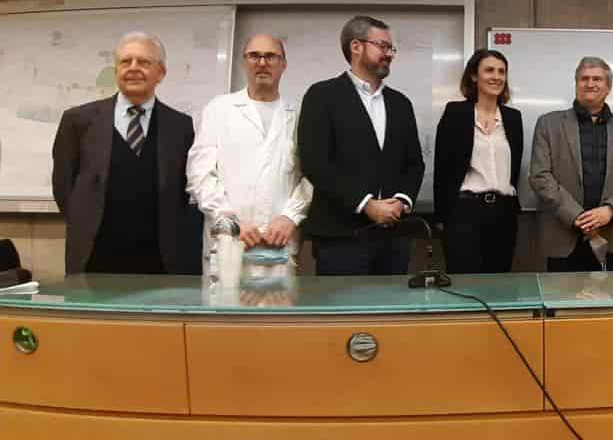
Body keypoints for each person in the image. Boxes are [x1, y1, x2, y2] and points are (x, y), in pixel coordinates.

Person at [51, 31, 196, 274]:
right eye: (125, 61)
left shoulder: (181, 126)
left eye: (144, 62)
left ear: (161, 73)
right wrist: (84, 223)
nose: (133, 68)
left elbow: (183, 193)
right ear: (116, 70)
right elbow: (63, 186)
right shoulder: (78, 121)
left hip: (161, 262)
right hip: (94, 259)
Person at [296, 15, 424, 275]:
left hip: (393, 238)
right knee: (344, 316)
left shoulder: (401, 103)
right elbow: (315, 162)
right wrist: (366, 205)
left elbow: (414, 163)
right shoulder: (322, 96)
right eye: (383, 46)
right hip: (340, 237)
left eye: (391, 48)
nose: (389, 54)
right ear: (356, 47)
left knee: (390, 314)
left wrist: (401, 201)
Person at [187, 34, 312, 263]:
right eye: (254, 56)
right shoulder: (218, 109)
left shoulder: (299, 115)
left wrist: (290, 217)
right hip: (228, 244)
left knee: (280, 298)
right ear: (244, 62)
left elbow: (312, 175)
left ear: (283, 64)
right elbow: (200, 175)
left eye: (271, 56)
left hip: (280, 244)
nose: (262, 62)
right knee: (224, 298)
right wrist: (230, 221)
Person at [529, 57, 613, 272]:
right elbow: (539, 175)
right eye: (584, 78)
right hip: (563, 234)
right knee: (562, 303)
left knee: (609, 303)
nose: (590, 84)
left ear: (608, 87)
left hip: (611, 234)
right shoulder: (548, 123)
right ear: (576, 84)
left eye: (597, 79)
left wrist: (610, 210)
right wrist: (577, 216)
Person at [433, 49, 523, 274]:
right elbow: (442, 169)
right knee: (465, 283)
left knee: (498, 286)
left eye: (502, 71)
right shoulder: (456, 113)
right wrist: (442, 218)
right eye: (489, 70)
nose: (497, 77)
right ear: (474, 76)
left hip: (504, 213)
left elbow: (515, 167)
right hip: (464, 212)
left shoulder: (513, 118)